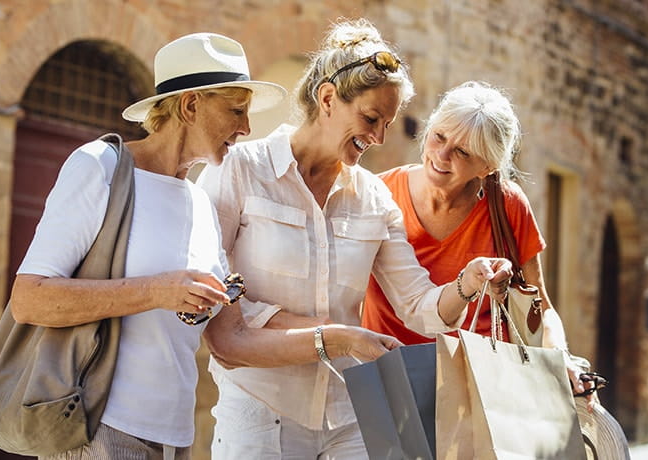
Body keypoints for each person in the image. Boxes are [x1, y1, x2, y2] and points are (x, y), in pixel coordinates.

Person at [10, 32, 401, 460]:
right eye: (235, 110)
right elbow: (30, 300)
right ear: (190, 105)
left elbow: (232, 340)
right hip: (100, 425)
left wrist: (337, 339)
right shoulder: (100, 166)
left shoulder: (199, 202)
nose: (246, 127)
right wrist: (156, 291)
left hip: (173, 437)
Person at [197, 20, 513, 459]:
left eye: (387, 124)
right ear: (328, 98)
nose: (379, 137)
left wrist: (468, 282)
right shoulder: (239, 170)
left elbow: (419, 307)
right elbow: (214, 304)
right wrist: (331, 334)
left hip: (349, 416)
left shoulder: (375, 198)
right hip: (260, 412)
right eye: (370, 118)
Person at [361, 80, 591, 396]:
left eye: (462, 151)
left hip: (480, 391)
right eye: (439, 136)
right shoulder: (379, 194)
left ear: (487, 166)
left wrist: (561, 357)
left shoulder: (507, 205)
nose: (441, 155)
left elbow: (541, 307)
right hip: (391, 382)